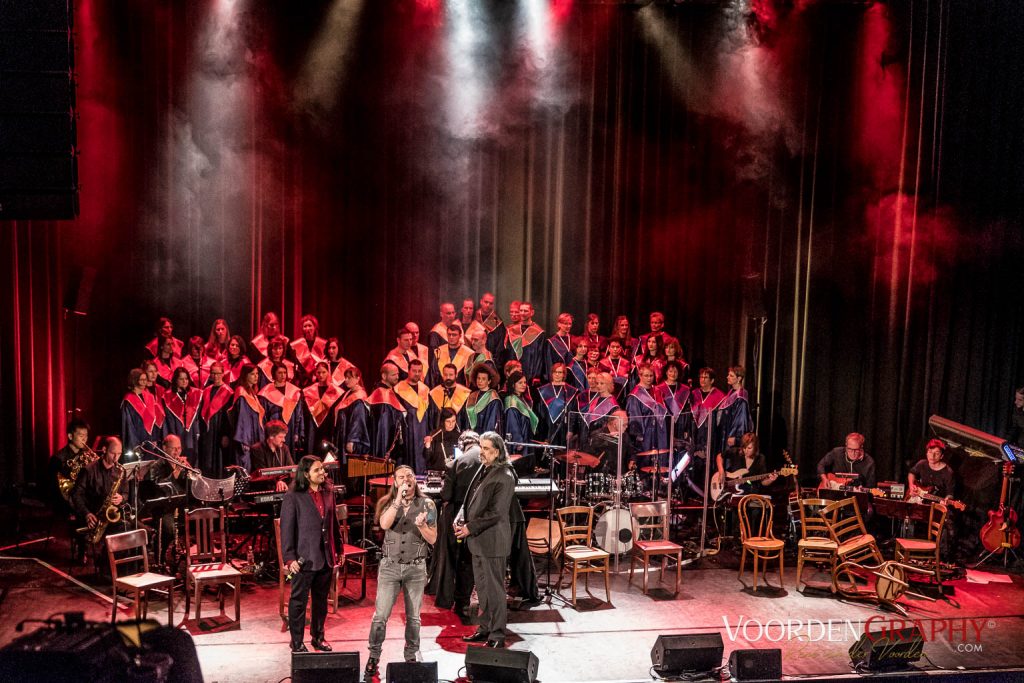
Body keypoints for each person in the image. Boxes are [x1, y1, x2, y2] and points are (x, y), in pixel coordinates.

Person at [365, 466, 438, 677]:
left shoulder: (427, 504)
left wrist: (422, 526)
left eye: (409, 476)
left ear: (415, 479)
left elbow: (433, 538)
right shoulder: (387, 503)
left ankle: (411, 656)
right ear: (395, 481)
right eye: (401, 477)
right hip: (390, 567)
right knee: (380, 616)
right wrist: (397, 500)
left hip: (415, 568)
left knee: (414, 617)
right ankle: (374, 656)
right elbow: (385, 523)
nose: (406, 479)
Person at [456, 433, 515, 648]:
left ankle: (498, 635)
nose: (482, 451)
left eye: (487, 448)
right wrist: (462, 519)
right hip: (479, 542)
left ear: (497, 452)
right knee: (482, 590)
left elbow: (496, 513)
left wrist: (469, 528)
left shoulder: (505, 475)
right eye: (481, 447)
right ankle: (485, 628)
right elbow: (473, 501)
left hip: (493, 542)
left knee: (495, 591)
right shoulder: (486, 469)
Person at [280, 456, 340, 653]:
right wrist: (289, 558)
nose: (323, 473)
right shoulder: (293, 496)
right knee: (299, 602)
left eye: (322, 469)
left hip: (325, 557)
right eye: (317, 470)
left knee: (321, 602)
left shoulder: (329, 492)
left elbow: (333, 524)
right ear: (306, 474)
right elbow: (286, 529)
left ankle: (318, 637)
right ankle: (296, 641)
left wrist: (338, 549)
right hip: (303, 559)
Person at [428, 431, 482, 615]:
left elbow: (446, 495)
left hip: (458, 518)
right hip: (481, 518)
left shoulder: (456, 463)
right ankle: (467, 601)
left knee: (455, 558)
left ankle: (453, 600)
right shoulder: (488, 459)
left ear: (462, 445)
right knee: (471, 559)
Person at [71, 436, 127, 571]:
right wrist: (86, 513)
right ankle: (89, 553)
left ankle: (106, 563)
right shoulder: (89, 470)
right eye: (113, 453)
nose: (116, 457)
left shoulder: (120, 471)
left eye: (119, 454)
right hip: (92, 513)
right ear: (104, 450)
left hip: (109, 515)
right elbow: (76, 494)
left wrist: (122, 498)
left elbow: (126, 494)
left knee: (127, 527)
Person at [395, 359, 432, 473]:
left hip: (423, 431)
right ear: (408, 371)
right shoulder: (398, 388)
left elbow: (429, 413)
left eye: (419, 371)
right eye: (414, 371)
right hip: (407, 432)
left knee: (422, 460)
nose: (417, 374)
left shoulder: (425, 389)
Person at [259, 362, 304, 454]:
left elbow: (299, 414)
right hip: (273, 430)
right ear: (273, 374)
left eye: (284, 372)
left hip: (290, 429)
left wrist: (297, 432)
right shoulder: (266, 392)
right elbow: (263, 417)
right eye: (279, 373)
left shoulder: (293, 391)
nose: (283, 375)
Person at [715, 432, 776, 499]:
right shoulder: (736, 452)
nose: (746, 451)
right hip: (732, 494)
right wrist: (721, 471)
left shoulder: (760, 459)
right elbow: (719, 456)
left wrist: (771, 480)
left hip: (751, 494)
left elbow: (763, 482)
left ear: (755, 447)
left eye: (749, 448)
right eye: (744, 447)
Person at [198, 361, 233, 476]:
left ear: (223, 373)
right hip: (208, 431)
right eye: (213, 373)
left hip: (220, 430)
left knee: (219, 458)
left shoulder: (228, 392)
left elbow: (229, 418)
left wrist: (226, 434)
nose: (215, 376)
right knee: (207, 459)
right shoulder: (206, 390)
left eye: (218, 373)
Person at [162, 367, 202, 465]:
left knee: (191, 457)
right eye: (181, 379)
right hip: (176, 431)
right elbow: (167, 419)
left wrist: (197, 431)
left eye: (186, 378)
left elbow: (197, 418)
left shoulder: (195, 393)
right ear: (175, 380)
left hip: (191, 434)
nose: (184, 381)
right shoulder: (168, 396)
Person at [302, 361, 342, 458]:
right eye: (318, 372)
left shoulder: (335, 391)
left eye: (323, 372)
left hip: (329, 425)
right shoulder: (309, 390)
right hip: (313, 426)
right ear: (315, 373)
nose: (321, 375)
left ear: (328, 372)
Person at [368, 363, 407, 461]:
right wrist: (387, 449)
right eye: (393, 375)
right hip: (384, 447)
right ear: (384, 376)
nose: (397, 377)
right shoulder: (382, 395)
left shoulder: (387, 391)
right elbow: (383, 428)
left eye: (397, 374)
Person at [50, 418, 91, 511]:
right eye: (81, 435)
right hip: (67, 504)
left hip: (85, 499)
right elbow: (55, 490)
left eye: (86, 435)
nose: (84, 439)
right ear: (70, 436)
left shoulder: (87, 455)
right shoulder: (57, 459)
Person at [625, 364, 668, 454]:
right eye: (646, 376)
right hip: (645, 436)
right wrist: (639, 437)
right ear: (640, 376)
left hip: (660, 433)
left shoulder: (657, 391)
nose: (649, 378)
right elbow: (634, 419)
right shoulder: (635, 395)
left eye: (651, 376)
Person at [230, 363, 265, 473]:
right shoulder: (241, 392)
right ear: (245, 375)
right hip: (246, 439)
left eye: (257, 374)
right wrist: (244, 440)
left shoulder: (252, 392)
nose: (256, 377)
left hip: (254, 436)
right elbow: (242, 418)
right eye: (252, 374)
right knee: (245, 468)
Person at [503, 371, 539, 466]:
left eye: (524, 382)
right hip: (519, 444)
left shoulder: (521, 399)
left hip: (526, 439)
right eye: (520, 382)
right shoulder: (511, 401)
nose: (523, 385)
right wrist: (518, 441)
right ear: (513, 384)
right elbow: (512, 423)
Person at [537, 363, 577, 447]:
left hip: (563, 428)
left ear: (564, 374)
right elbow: (541, 412)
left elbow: (572, 412)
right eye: (555, 372)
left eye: (560, 372)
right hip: (547, 427)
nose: (557, 375)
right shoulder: (543, 390)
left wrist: (570, 430)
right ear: (551, 374)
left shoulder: (570, 391)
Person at [334, 366, 371, 455]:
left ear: (357, 379)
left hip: (351, 440)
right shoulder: (348, 393)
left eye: (349, 378)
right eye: (345, 377)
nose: (346, 380)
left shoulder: (359, 398)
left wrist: (352, 440)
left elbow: (358, 421)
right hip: (344, 436)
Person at [506, 302, 545, 384]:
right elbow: (508, 353)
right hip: (513, 372)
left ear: (532, 312)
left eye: (525, 311)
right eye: (521, 310)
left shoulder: (538, 332)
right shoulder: (512, 330)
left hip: (530, 374)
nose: (522, 313)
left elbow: (539, 356)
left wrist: (536, 376)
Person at [122, 368, 159, 453]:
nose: (144, 382)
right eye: (141, 380)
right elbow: (128, 426)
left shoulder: (149, 397)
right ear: (134, 380)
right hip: (137, 439)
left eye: (145, 379)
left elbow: (153, 420)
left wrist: (154, 438)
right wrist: (135, 445)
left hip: (150, 439)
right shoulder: (128, 400)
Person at [250, 420, 293, 491]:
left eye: (284, 437)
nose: (284, 440)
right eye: (281, 437)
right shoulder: (257, 449)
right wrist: (277, 482)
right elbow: (262, 474)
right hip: (263, 489)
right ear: (271, 436)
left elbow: (291, 470)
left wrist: (282, 482)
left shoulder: (284, 448)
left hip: (282, 488)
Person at [719, 366, 754, 452]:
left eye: (731, 375)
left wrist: (736, 438)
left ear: (739, 378)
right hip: (726, 435)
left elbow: (741, 420)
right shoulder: (731, 392)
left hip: (732, 439)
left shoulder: (741, 397)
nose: (727, 377)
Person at [429, 364, 471, 429]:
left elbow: (466, 418)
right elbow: (432, 417)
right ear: (442, 375)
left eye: (451, 375)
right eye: (445, 375)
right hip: (440, 433)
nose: (448, 377)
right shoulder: (435, 392)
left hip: (459, 432)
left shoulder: (465, 393)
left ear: (456, 375)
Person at [466, 362, 502, 434]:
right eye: (478, 378)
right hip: (471, 435)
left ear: (489, 381)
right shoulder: (472, 395)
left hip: (485, 436)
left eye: (483, 379)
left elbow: (491, 423)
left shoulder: (493, 398)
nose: (480, 381)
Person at [291, 314, 327, 382]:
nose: (307, 329)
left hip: (318, 378)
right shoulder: (297, 344)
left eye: (310, 326)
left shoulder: (323, 344)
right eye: (305, 326)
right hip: (302, 380)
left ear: (315, 327)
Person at [545, 313, 574, 382]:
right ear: (559, 324)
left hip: (572, 376)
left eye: (570, 324)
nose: (568, 326)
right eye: (565, 323)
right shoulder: (551, 341)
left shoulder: (573, 339)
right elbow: (549, 363)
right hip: (557, 376)